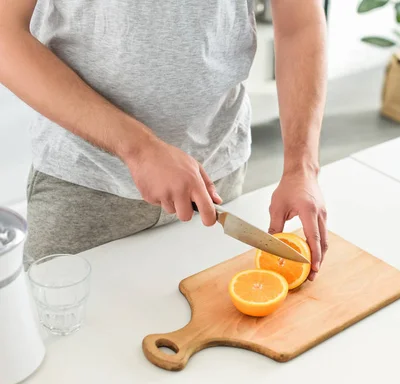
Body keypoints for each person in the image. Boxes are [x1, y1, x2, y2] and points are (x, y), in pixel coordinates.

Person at [0, 0, 328, 280]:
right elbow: (5, 33)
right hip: (84, 187)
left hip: (217, 182)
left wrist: (301, 167)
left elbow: (298, 23)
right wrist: (139, 148)